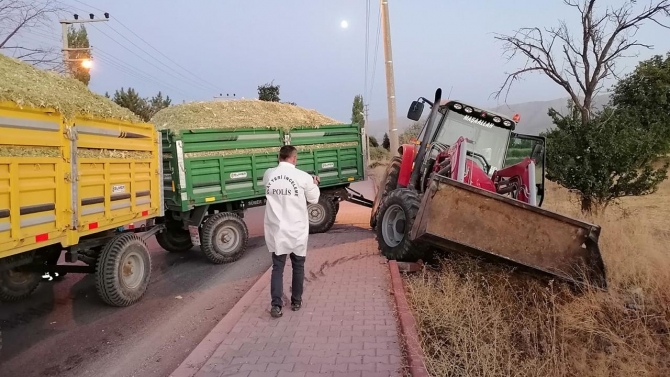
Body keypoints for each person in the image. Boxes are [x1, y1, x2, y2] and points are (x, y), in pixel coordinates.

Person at [262, 145, 320, 318]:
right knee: (298, 266)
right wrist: (314, 183)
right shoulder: (303, 177)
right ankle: (296, 301)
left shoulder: (268, 174)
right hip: (296, 229)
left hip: (276, 229)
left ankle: (276, 305)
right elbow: (314, 199)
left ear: (279, 157)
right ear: (294, 159)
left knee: (277, 267)